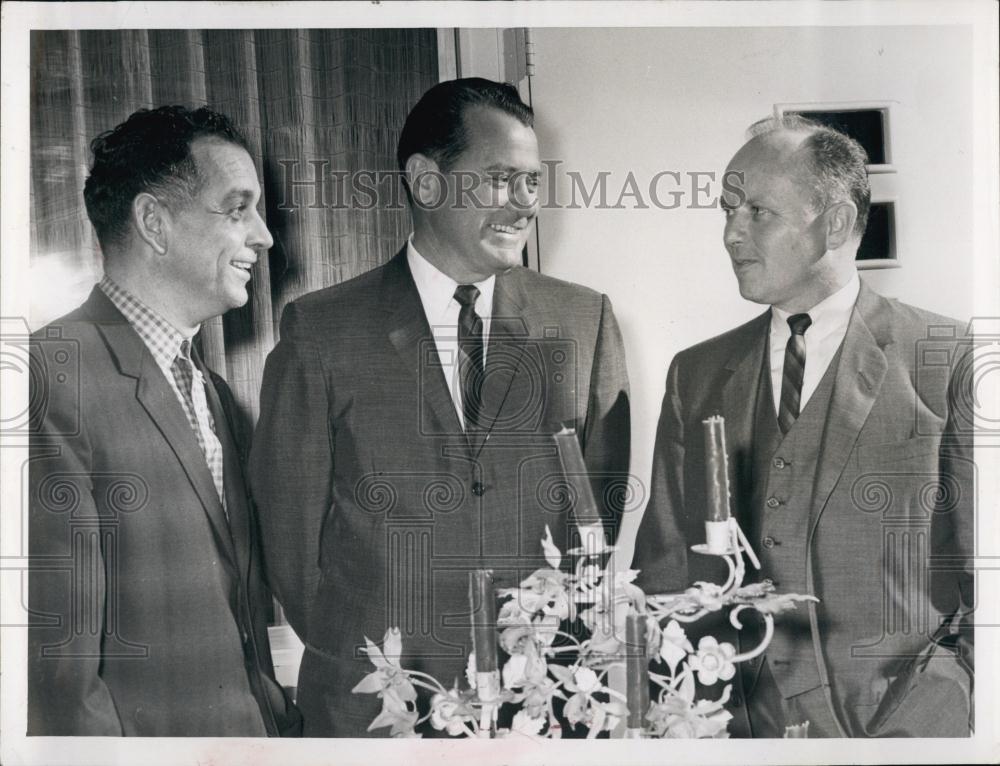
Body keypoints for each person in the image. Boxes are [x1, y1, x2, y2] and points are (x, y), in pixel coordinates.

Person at [251, 77, 631, 737]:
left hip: (540, 705)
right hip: (374, 709)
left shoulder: (583, 319)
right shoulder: (320, 330)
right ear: (426, 183)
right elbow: (290, 546)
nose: (523, 204)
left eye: (531, 183)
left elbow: (595, 524)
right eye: (499, 179)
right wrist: (378, 653)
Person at [633, 116, 974, 738]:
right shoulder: (697, 373)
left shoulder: (947, 356)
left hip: (910, 728)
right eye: (726, 210)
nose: (731, 233)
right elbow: (666, 570)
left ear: (835, 223)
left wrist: (949, 702)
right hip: (737, 730)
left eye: (757, 211)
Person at [28, 106, 301, 736]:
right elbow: (57, 677)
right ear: (154, 222)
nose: (263, 236)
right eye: (238, 209)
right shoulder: (46, 377)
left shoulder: (212, 394)